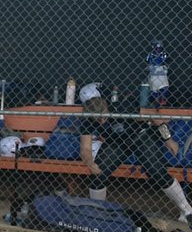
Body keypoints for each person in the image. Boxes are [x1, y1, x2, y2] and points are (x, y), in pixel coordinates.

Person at [81, 95, 192, 224]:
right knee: (98, 172)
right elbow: (85, 148)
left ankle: (187, 211)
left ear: (106, 108)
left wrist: (169, 140)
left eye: (103, 117)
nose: (101, 121)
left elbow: (154, 117)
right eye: (97, 120)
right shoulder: (88, 119)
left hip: (140, 135)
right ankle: (97, 211)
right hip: (116, 141)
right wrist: (89, 162)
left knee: (157, 172)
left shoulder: (122, 106)